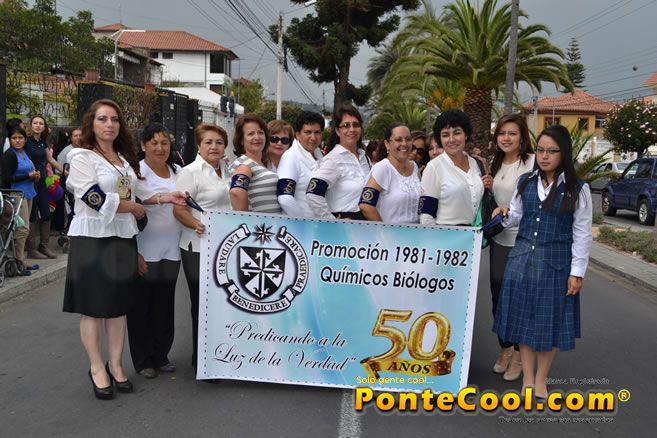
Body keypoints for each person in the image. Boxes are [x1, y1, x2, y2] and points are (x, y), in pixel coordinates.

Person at [63, 99, 185, 400]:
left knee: (118, 308)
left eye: (114, 119)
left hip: (122, 237)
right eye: (102, 119)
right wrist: (130, 207)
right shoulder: (81, 156)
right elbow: (92, 197)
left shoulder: (121, 159)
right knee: (93, 308)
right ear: (91, 123)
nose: (109, 124)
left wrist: (161, 199)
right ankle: (97, 368)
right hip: (92, 238)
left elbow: (138, 194)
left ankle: (116, 365)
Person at [492, 124, 592, 399]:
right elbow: (515, 216)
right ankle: (527, 378)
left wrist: (577, 272)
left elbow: (582, 234)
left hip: (556, 265)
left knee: (550, 324)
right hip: (522, 261)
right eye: (540, 150)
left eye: (552, 151)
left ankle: (540, 379)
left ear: (564, 153)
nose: (544, 156)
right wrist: (504, 213)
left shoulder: (578, 189)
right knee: (524, 323)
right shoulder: (525, 182)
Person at [173, 123, 232, 376]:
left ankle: (222, 356)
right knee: (203, 305)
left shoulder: (229, 169)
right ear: (199, 145)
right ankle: (203, 362)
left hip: (226, 247)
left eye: (219, 142)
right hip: (198, 246)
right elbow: (179, 209)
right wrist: (197, 224)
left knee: (222, 304)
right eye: (208, 142)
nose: (214, 147)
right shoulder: (190, 172)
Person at [127, 124, 183, 379]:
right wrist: (134, 252)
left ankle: (161, 355)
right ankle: (143, 360)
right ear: (143, 145)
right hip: (144, 247)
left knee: (165, 304)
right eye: (154, 143)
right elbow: (135, 203)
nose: (160, 148)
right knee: (142, 306)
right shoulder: (135, 172)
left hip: (172, 247)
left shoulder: (178, 171)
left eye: (165, 143)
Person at [488, 114, 535, 382]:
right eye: (502, 133)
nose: (506, 138)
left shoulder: (533, 162)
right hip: (499, 240)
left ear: (522, 137)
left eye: (512, 133)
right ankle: (505, 347)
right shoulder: (494, 163)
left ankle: (519, 354)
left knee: (520, 297)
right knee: (498, 293)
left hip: (525, 241)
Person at [419, 109, 491, 226]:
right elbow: (426, 216)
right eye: (445, 135)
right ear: (440, 139)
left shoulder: (475, 163)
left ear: (466, 134)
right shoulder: (434, 168)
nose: (452, 140)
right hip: (446, 235)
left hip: (476, 235)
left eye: (457, 133)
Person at [306, 104, 371, 220]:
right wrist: (332, 221)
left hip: (366, 222)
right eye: (346, 125)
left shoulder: (364, 157)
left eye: (356, 125)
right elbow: (313, 194)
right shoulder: (333, 159)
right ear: (337, 131)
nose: (352, 129)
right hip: (345, 223)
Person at [359, 123, 420, 224]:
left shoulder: (415, 167)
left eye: (408, 139)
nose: (404, 143)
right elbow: (366, 205)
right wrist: (384, 229)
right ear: (387, 144)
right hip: (391, 232)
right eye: (398, 140)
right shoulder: (383, 168)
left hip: (417, 232)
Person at [0, 127, 40, 274]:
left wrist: (35, 176)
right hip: (16, 195)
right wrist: (28, 176)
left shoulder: (23, 153)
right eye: (14, 138)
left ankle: (21, 258)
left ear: (25, 139)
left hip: (28, 193)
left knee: (25, 227)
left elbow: (28, 171)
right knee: (22, 228)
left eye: (20, 138)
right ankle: (19, 261)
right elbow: (6, 179)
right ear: (10, 140)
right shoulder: (9, 155)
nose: (17, 141)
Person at [25, 115, 64, 259]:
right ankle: (31, 249)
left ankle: (44, 246)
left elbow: (50, 159)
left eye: (41, 123)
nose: (38, 125)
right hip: (30, 182)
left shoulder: (42, 142)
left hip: (42, 182)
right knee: (32, 215)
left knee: (46, 213)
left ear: (44, 127)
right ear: (31, 125)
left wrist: (65, 172)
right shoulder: (26, 141)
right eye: (35, 123)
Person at [276, 111, 325, 218]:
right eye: (308, 132)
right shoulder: (291, 157)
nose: (313, 137)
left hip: (320, 223)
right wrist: (303, 222)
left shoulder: (320, 156)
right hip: (300, 224)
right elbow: (285, 198)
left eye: (317, 132)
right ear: (297, 134)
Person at [229, 114, 281, 213]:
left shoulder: (260, 163)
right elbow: (236, 192)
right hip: (260, 222)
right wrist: (246, 219)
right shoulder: (244, 165)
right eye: (250, 134)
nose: (257, 137)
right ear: (241, 140)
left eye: (260, 133)